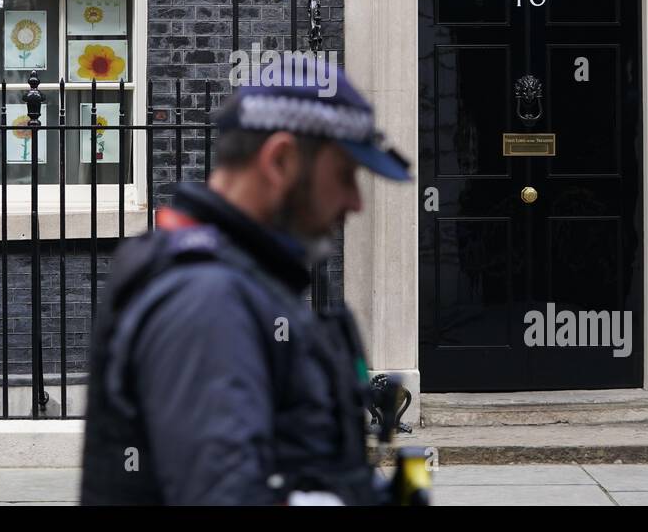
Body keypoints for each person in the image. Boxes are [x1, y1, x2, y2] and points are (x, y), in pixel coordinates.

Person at [80, 66, 412, 505]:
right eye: (345, 174)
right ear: (280, 161)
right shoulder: (206, 298)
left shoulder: (241, 279)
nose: (355, 202)